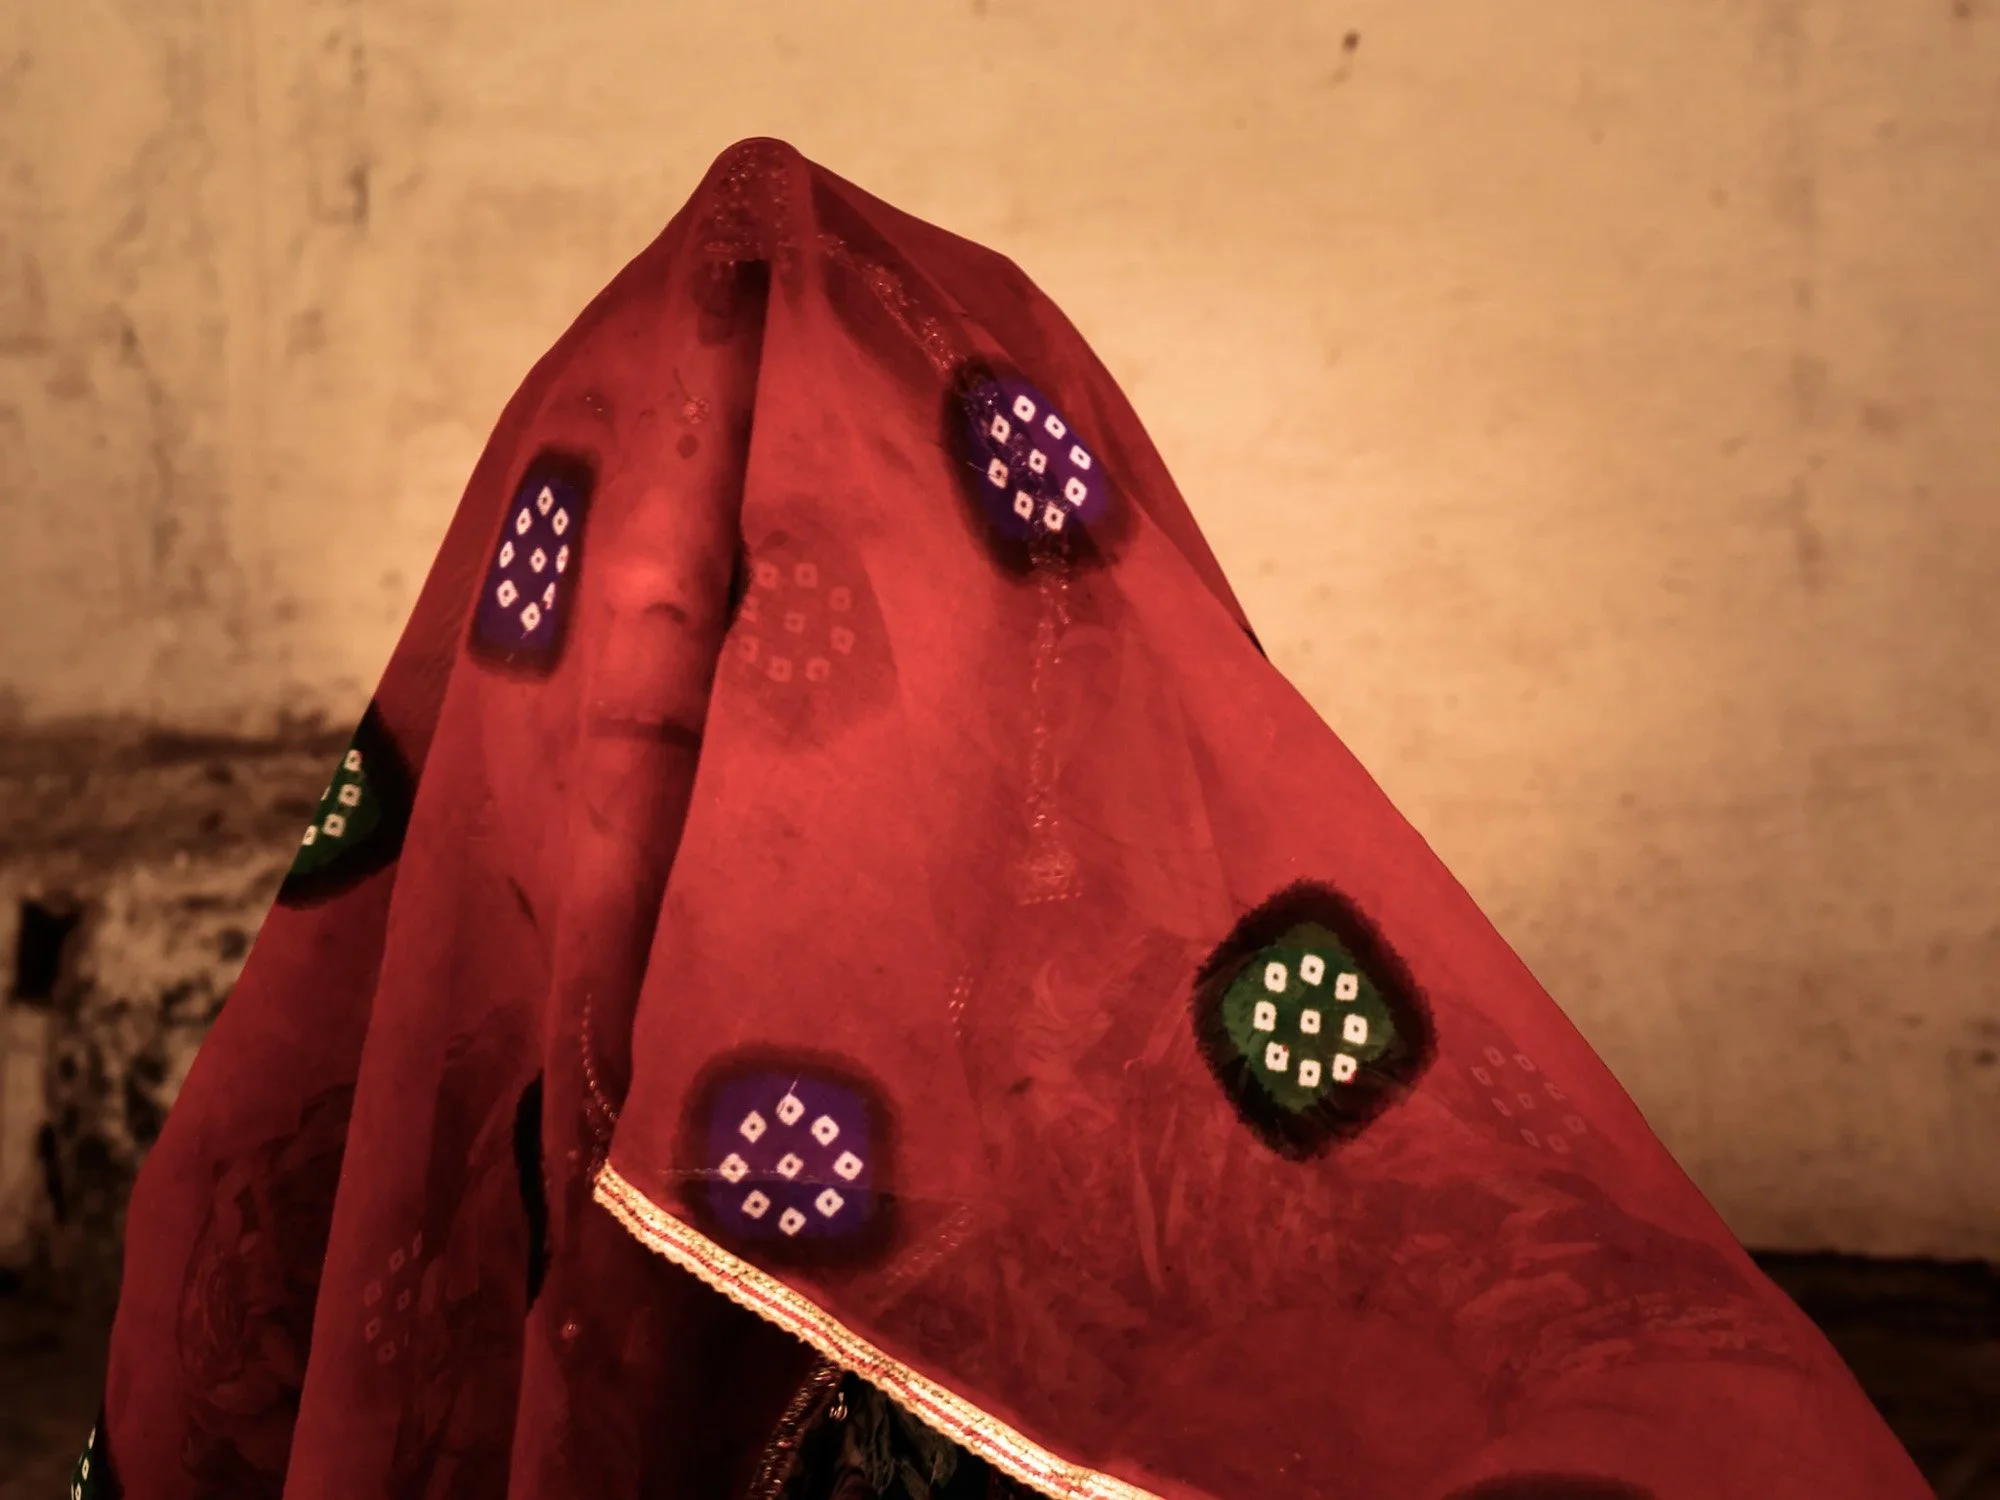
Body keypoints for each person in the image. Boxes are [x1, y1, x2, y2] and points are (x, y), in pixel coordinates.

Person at [75, 139, 1931, 1500]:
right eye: (657, 630)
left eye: (777, 617)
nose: (692, 725)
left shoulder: (1155, 1105)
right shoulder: (356, 1157)